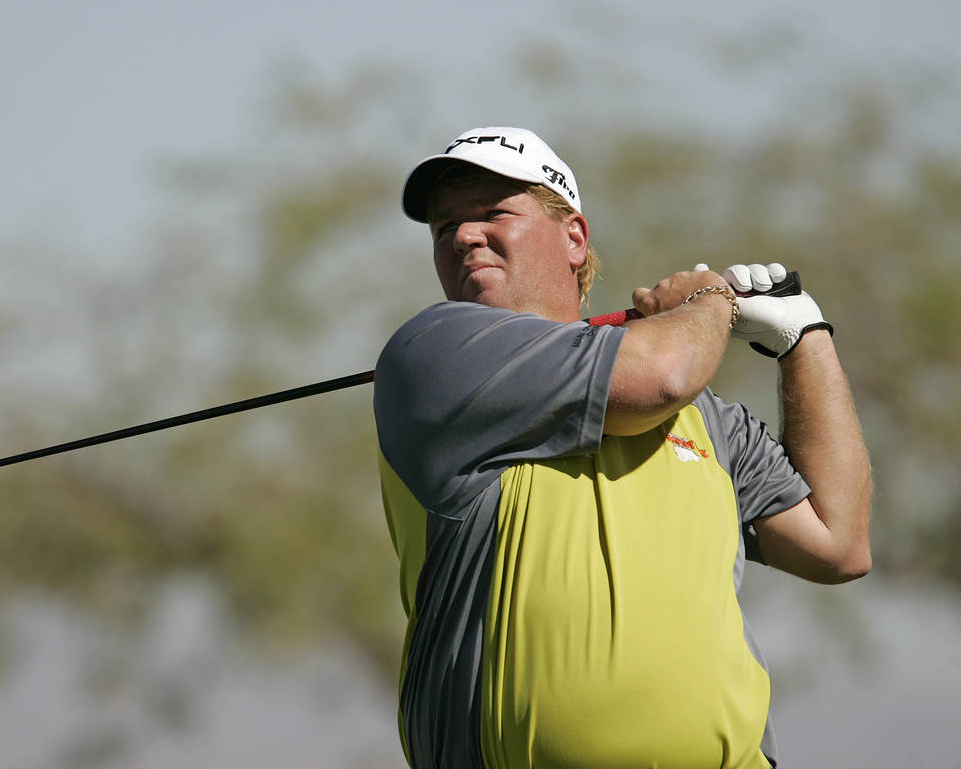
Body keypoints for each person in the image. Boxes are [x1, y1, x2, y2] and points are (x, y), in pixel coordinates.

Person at [373, 126, 871, 769]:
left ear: (573, 238)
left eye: (493, 212)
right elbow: (659, 375)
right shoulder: (436, 353)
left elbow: (839, 544)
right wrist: (708, 297)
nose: (465, 235)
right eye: (445, 226)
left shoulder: (706, 420)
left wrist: (805, 337)